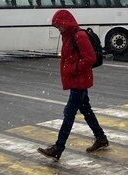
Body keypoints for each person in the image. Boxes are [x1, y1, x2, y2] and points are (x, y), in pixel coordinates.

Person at [37, 9, 108, 161]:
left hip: (80, 80)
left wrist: (74, 69)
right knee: (86, 110)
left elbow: (90, 58)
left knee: (69, 113)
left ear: (66, 23)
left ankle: (58, 147)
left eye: (59, 26)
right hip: (77, 79)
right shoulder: (68, 36)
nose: (58, 29)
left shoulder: (79, 36)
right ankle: (101, 137)